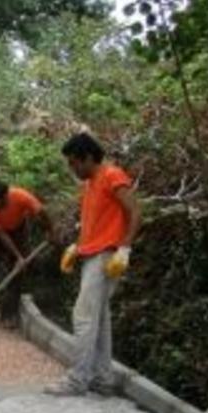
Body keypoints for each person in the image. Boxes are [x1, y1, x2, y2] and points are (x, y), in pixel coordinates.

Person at [45, 132, 141, 396]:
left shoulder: (112, 175)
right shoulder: (89, 185)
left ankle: (77, 380)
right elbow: (94, 222)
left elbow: (134, 211)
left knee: (84, 317)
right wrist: (78, 246)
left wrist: (125, 248)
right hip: (93, 254)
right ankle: (103, 378)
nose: (72, 169)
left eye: (74, 163)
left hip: (106, 256)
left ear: (88, 158)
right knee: (99, 319)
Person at [0, 181, 57, 327]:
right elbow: (1, 235)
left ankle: (8, 315)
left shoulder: (20, 196)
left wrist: (50, 231)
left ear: (5, 196)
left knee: (17, 272)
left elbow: (41, 212)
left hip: (19, 229)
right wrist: (18, 256)